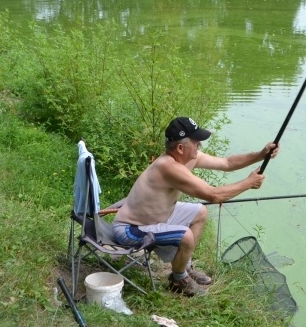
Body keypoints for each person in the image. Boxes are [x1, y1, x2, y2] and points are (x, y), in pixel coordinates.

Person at [112, 116, 280, 297]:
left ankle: (185, 267)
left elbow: (227, 163)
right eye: (196, 141)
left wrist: (261, 154)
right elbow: (213, 195)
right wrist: (248, 183)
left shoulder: (186, 158)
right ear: (180, 147)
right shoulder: (168, 167)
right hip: (131, 229)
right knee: (186, 236)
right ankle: (178, 279)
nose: (199, 145)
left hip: (157, 217)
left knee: (200, 211)